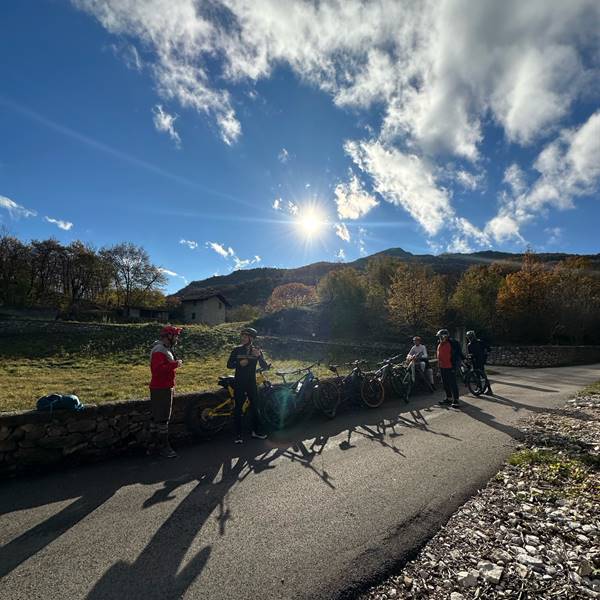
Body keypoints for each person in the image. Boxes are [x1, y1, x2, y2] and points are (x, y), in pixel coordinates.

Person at [227, 327, 269, 444]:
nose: (243, 338)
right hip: (239, 382)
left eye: (245, 336)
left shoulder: (256, 350)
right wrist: (238, 363)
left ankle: (256, 432)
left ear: (251, 338)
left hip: (251, 383)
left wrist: (259, 356)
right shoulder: (236, 350)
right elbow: (229, 365)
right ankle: (238, 435)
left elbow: (265, 367)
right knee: (238, 408)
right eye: (242, 336)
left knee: (255, 407)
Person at [148, 324, 183, 458]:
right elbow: (157, 370)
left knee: (156, 417)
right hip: (161, 388)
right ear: (169, 336)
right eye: (176, 336)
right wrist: (175, 364)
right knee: (162, 419)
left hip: (161, 387)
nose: (177, 339)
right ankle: (164, 448)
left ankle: (152, 446)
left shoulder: (163, 348)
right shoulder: (159, 350)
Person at [436, 328, 464, 407]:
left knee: (453, 383)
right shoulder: (440, 344)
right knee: (445, 384)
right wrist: (439, 368)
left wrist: (462, 361)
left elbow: (458, 353)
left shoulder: (453, 343)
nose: (439, 338)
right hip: (442, 367)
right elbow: (439, 356)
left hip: (451, 366)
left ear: (445, 336)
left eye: (440, 336)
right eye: (439, 337)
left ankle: (456, 400)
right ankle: (449, 398)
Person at [466, 330, 493, 394]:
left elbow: (488, 349)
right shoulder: (473, 344)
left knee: (481, 375)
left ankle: (486, 389)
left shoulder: (474, 343)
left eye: (470, 337)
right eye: (469, 337)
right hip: (478, 361)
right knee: (480, 376)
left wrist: (484, 354)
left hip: (478, 361)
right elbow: (488, 349)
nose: (470, 338)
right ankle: (482, 389)